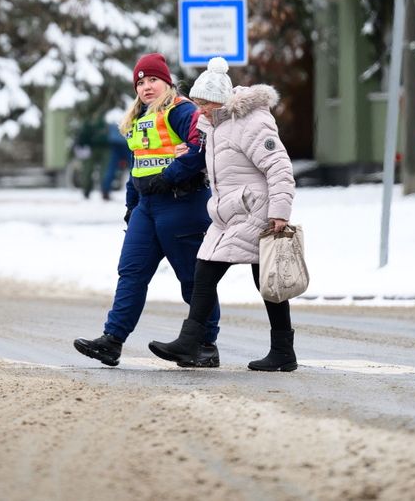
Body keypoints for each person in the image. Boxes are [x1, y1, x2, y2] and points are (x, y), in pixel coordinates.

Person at [148, 56, 298, 372]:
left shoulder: (252, 122)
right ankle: (280, 351)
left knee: (246, 277)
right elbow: (220, 165)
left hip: (254, 210)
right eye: (198, 102)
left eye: (204, 103)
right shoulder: (214, 126)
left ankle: (276, 350)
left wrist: (280, 213)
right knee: (242, 277)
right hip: (228, 212)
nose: (198, 109)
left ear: (220, 101)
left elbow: (279, 167)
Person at [73, 53, 222, 367]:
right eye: (140, 82)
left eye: (153, 79)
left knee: (193, 280)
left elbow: (201, 146)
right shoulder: (138, 118)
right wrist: (131, 205)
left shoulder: (181, 110)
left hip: (182, 203)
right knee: (131, 272)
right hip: (147, 207)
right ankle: (112, 340)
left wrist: (169, 177)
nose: (146, 87)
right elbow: (137, 166)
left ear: (166, 81)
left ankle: (204, 345)